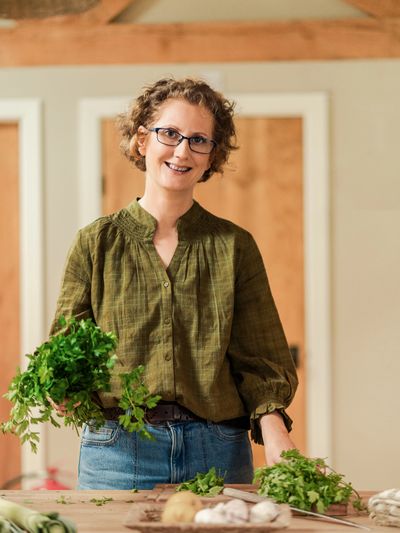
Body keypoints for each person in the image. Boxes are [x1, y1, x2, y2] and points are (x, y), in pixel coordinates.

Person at [51, 77, 298, 490]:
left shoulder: (234, 246)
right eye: (170, 134)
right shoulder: (95, 243)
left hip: (217, 448)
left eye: (199, 140)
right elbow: (66, 347)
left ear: (211, 157)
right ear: (142, 140)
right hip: (117, 450)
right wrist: (62, 388)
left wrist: (277, 434)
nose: (182, 151)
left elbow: (262, 358)